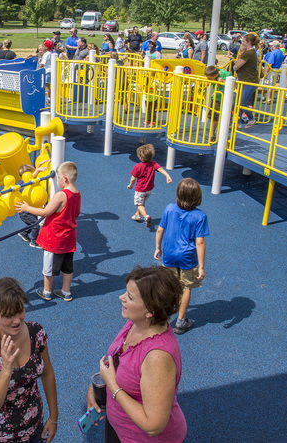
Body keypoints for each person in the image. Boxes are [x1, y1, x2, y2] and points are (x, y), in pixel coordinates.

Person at [89, 266, 187, 443]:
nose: (121, 297)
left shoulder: (158, 357)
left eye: (130, 297)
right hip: (120, 428)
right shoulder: (136, 323)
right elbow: (118, 362)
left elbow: (153, 426)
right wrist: (97, 387)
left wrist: (112, 385)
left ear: (150, 311)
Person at [0, 277, 58, 443]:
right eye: (9, 315)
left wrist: (53, 417)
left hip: (35, 430)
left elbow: (47, 373)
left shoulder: (35, 332)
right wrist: (7, 369)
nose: (17, 320)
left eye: (20, 311)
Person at [16, 161, 81, 302]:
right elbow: (74, 213)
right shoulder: (77, 194)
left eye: (58, 178)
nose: (58, 181)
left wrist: (27, 208)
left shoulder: (61, 195)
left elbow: (45, 212)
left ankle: (46, 291)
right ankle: (66, 291)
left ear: (65, 179)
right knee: (68, 267)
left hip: (55, 238)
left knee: (49, 267)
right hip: (69, 237)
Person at [154, 178, 209, 335]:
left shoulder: (170, 208)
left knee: (167, 285)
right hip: (187, 258)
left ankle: (161, 316)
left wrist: (158, 247)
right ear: (198, 197)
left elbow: (160, 230)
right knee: (185, 288)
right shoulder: (200, 216)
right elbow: (200, 242)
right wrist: (202, 266)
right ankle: (180, 321)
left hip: (170, 253)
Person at [128, 143, 172, 227]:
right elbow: (161, 169)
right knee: (142, 202)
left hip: (140, 189)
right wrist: (167, 176)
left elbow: (133, 178)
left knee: (139, 204)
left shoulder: (137, 167)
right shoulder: (153, 164)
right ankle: (137, 215)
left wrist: (130, 185)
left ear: (140, 157)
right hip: (149, 189)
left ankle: (146, 216)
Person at [16, 163, 49, 248]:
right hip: (24, 210)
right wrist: (37, 170)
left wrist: (38, 167)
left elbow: (31, 178)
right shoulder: (23, 183)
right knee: (35, 225)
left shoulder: (23, 182)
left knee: (31, 223)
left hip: (27, 209)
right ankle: (34, 242)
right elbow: (29, 179)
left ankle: (23, 233)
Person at [233, 33, 260, 128]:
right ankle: (238, 121)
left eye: (244, 41)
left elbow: (236, 66)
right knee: (237, 102)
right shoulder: (252, 53)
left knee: (242, 102)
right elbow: (258, 61)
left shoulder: (248, 53)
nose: (242, 43)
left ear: (248, 42)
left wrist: (240, 55)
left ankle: (251, 119)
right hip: (246, 81)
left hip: (249, 81)